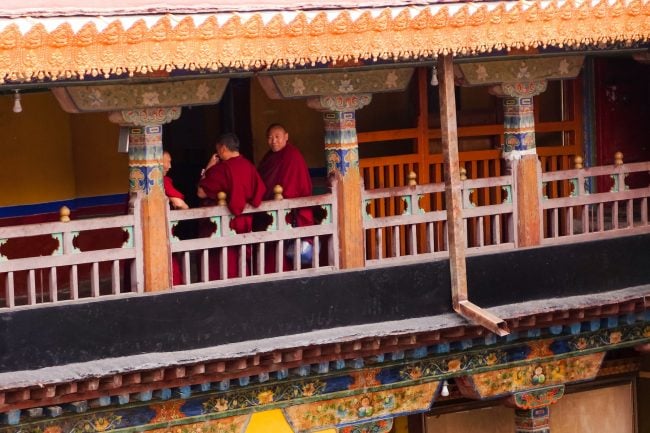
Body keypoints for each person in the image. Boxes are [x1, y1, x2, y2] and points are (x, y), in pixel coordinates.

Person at [197, 133, 266, 280]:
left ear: (222, 149)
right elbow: (259, 192)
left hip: (224, 225)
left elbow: (201, 192)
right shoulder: (249, 166)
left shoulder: (222, 169)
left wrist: (207, 169)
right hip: (246, 223)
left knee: (222, 265)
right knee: (241, 265)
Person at [257, 123, 314, 272]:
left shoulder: (292, 156)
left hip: (290, 212)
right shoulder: (269, 157)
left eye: (277, 137)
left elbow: (293, 187)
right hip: (269, 209)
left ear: (286, 137)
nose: (273, 141)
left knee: (284, 250)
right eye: (270, 138)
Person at [162, 150, 189, 286]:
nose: (170, 166)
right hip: (161, 232)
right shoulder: (161, 181)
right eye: (168, 162)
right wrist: (187, 210)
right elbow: (179, 203)